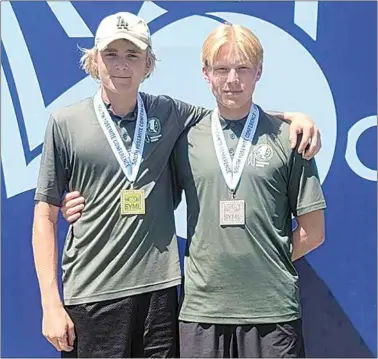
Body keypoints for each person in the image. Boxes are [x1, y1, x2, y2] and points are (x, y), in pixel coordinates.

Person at [34, 11, 321, 358]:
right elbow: (44, 217)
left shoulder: (171, 114)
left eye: (132, 55)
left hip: (160, 295)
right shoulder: (65, 123)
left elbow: (236, 113)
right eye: (111, 54)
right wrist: (51, 303)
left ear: (148, 63)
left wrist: (292, 117)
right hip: (94, 294)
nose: (122, 65)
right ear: (95, 59)